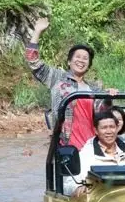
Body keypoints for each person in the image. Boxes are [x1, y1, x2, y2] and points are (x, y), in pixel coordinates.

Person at [23, 17, 117, 145]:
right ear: (69, 61)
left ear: (89, 65)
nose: (81, 60)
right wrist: (37, 31)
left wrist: (108, 96)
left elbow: (103, 114)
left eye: (85, 59)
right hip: (65, 142)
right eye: (77, 57)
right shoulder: (57, 78)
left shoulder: (94, 88)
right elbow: (32, 61)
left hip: (91, 143)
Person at [64, 111, 125, 197]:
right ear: (96, 131)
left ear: (117, 128)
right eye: (104, 128)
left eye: (112, 127)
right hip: (101, 201)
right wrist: (78, 188)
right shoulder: (86, 155)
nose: (109, 131)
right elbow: (68, 184)